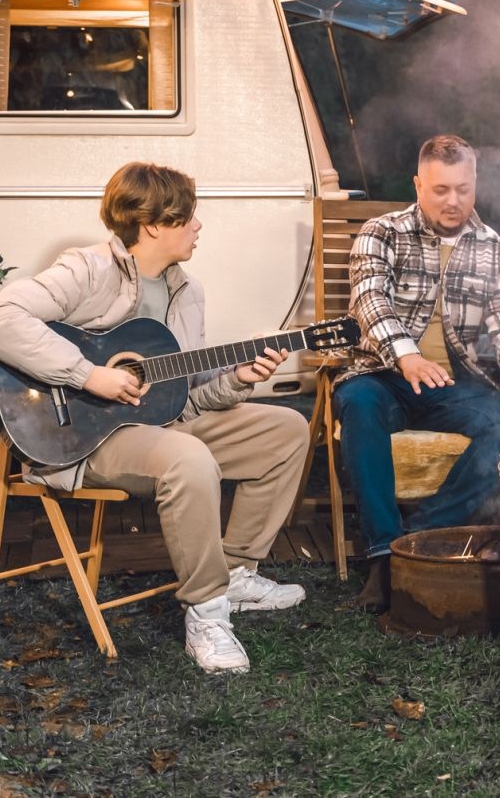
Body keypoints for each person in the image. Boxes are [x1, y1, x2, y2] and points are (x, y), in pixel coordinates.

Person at [0, 162, 310, 674]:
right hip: (87, 437)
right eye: (188, 217)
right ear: (153, 225)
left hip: (161, 426)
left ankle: (235, 574)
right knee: (186, 457)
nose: (198, 226)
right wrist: (87, 375)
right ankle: (207, 613)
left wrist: (240, 379)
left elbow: (183, 400)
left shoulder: (189, 292)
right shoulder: (88, 269)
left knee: (285, 429)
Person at [334, 134, 500, 612]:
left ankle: (415, 539)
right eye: (440, 189)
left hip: (455, 384)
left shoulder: (496, 248)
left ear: (475, 184)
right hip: (385, 373)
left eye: (463, 189)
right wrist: (406, 354)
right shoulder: (382, 231)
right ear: (418, 184)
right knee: (358, 404)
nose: (453, 201)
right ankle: (383, 557)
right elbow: (370, 301)